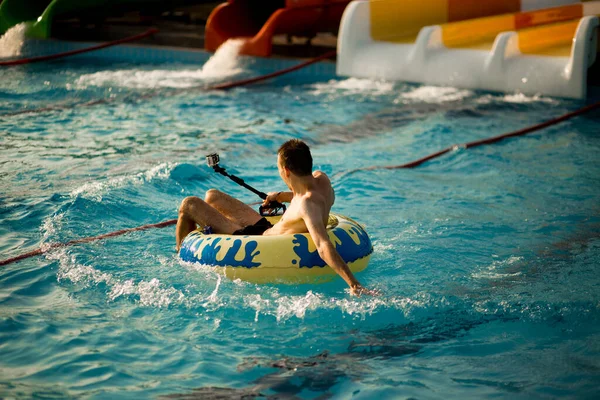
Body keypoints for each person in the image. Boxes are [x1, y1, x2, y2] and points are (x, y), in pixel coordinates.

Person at [176, 139, 374, 296]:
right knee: (212, 195)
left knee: (188, 205)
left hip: (256, 241)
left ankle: (179, 258)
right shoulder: (321, 180)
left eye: (280, 168)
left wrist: (354, 284)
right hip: (264, 228)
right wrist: (279, 196)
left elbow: (323, 245)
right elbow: (306, 194)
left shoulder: (307, 205)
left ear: (286, 171)